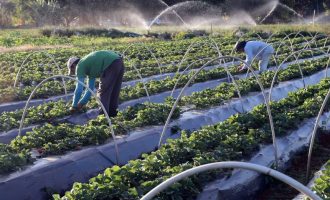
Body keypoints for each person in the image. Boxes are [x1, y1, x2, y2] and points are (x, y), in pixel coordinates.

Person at [67, 50, 124, 117]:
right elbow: (90, 89)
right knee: (114, 91)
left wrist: (74, 105)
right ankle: (112, 115)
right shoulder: (89, 66)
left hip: (110, 64)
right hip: (119, 62)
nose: (75, 72)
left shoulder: (79, 66)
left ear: (73, 65)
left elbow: (79, 89)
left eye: (72, 70)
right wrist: (82, 103)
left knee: (103, 93)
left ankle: (104, 117)